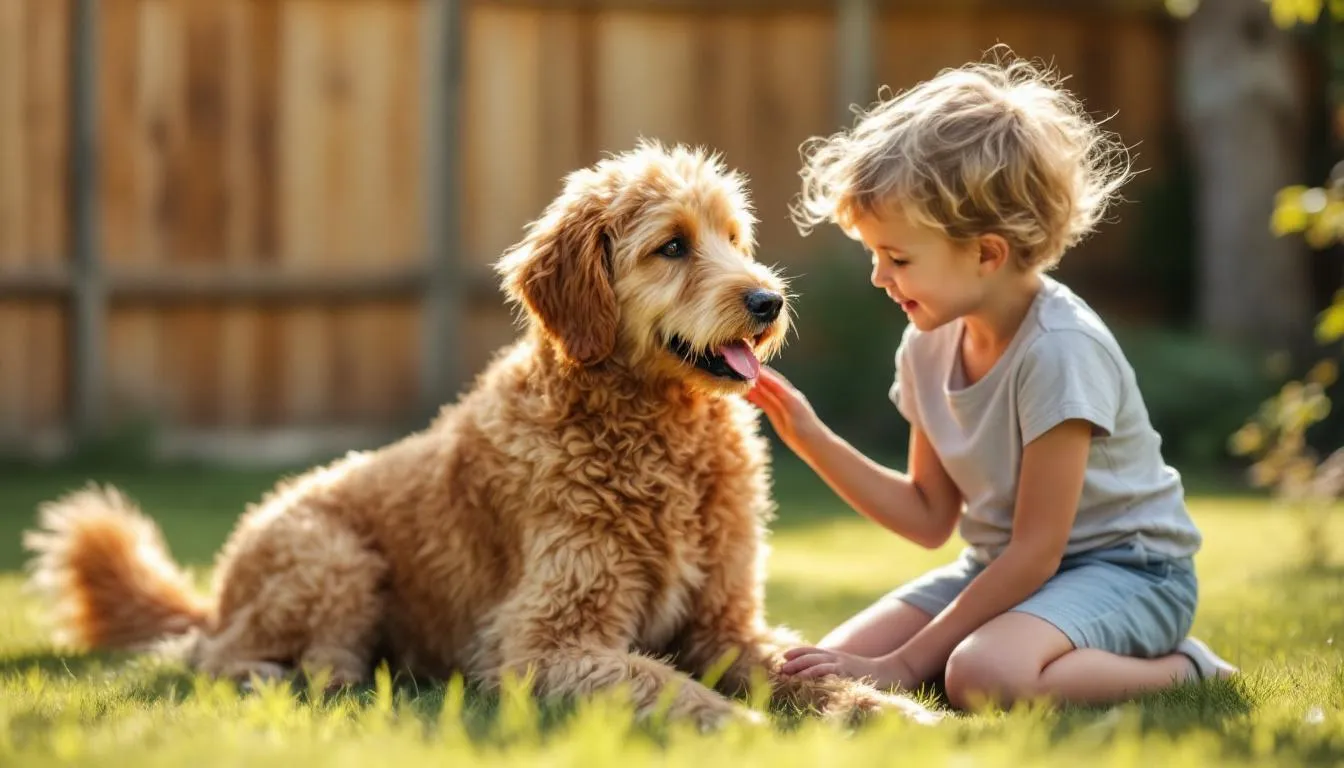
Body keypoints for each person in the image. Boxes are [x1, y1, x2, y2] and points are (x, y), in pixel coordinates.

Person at [748, 49, 1238, 710]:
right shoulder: (927, 343)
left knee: (983, 676)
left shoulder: (1060, 351)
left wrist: (905, 662)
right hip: (997, 571)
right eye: (873, 255)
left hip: (1129, 572)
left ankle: (1190, 670)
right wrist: (808, 435)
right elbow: (929, 516)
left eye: (897, 258)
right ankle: (1006, 650)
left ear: (986, 253)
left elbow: (1037, 552)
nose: (878, 277)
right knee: (815, 671)